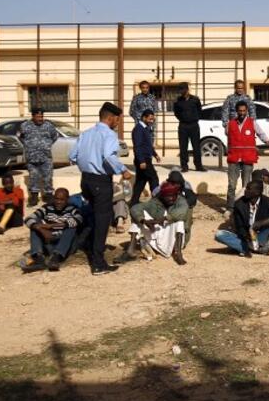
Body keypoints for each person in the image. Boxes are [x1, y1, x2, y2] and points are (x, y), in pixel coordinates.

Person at [69, 102, 133, 275]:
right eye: (118, 119)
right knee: (102, 220)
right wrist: (123, 170)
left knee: (92, 214)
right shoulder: (109, 135)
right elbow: (108, 157)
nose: (118, 123)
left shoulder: (86, 133)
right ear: (110, 117)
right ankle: (98, 263)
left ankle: (86, 244)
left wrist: (88, 163)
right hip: (100, 181)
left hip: (86, 180)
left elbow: (72, 156)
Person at [117, 181, 189, 265]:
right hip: (157, 235)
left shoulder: (181, 201)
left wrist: (160, 220)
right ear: (162, 195)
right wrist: (144, 221)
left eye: (173, 196)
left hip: (172, 239)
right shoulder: (155, 201)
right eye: (168, 196)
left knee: (179, 222)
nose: (171, 198)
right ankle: (130, 252)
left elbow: (182, 212)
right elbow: (135, 208)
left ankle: (178, 253)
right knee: (138, 218)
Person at [215, 180, 269, 257]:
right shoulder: (239, 204)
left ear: (257, 192)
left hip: (262, 236)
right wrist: (248, 236)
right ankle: (256, 249)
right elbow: (240, 227)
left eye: (248, 189)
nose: (245, 191)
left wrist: (263, 223)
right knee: (219, 234)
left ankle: (245, 248)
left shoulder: (267, 202)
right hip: (247, 237)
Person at [20, 188, 84, 273]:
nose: (58, 202)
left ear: (67, 199)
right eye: (56, 199)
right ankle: (39, 259)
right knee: (34, 225)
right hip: (49, 242)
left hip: (66, 245)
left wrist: (50, 226)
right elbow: (28, 219)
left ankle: (56, 258)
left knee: (71, 227)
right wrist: (41, 229)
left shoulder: (73, 209)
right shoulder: (46, 208)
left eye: (62, 200)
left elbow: (78, 220)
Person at [225, 101, 269, 211]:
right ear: (236, 111)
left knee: (246, 185)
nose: (242, 113)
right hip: (234, 157)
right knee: (232, 185)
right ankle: (230, 208)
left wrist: (266, 140)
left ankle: (243, 207)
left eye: (244, 111)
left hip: (248, 157)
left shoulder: (252, 122)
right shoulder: (230, 123)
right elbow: (228, 134)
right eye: (240, 111)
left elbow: (260, 133)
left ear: (247, 111)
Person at [19, 108, 59, 206]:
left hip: (46, 157)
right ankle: (34, 197)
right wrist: (28, 146)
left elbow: (55, 136)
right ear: (33, 116)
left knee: (48, 177)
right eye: (38, 116)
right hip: (31, 157)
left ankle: (49, 195)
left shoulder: (48, 125)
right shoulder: (25, 126)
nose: (40, 118)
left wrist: (47, 145)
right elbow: (20, 136)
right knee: (33, 177)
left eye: (41, 116)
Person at [173, 82, 206, 172]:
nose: (182, 92)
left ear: (187, 89)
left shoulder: (195, 99)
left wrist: (194, 118)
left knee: (196, 146)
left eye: (183, 90)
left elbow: (199, 111)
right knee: (183, 147)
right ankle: (184, 166)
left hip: (194, 125)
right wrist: (183, 119)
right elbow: (176, 113)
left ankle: (198, 166)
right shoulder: (177, 101)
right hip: (183, 125)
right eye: (180, 90)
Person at [131, 109, 161, 206]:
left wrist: (155, 154)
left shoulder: (146, 129)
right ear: (144, 118)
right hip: (143, 160)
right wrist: (141, 160)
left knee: (140, 182)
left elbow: (148, 145)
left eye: (153, 119)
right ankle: (157, 202)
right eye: (150, 119)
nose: (151, 121)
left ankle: (134, 202)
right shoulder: (138, 129)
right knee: (153, 178)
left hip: (146, 158)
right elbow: (138, 146)